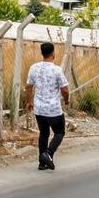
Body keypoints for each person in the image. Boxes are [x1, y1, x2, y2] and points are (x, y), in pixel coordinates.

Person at [25, 41, 70, 171]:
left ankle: (42, 163)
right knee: (59, 132)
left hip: (39, 108)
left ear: (42, 53)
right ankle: (48, 154)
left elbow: (28, 86)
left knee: (44, 133)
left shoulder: (34, 68)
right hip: (53, 109)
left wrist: (29, 101)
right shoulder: (57, 70)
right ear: (53, 53)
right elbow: (65, 90)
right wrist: (66, 100)